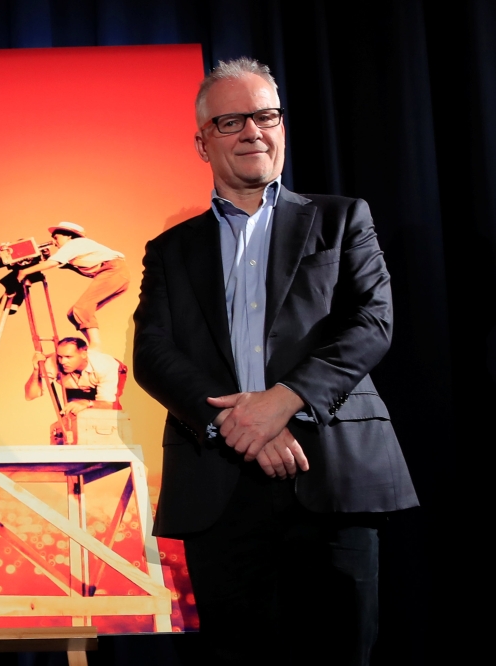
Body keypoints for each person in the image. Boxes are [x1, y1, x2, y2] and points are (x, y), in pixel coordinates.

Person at [132, 58, 417, 665]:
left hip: (332, 475)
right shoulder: (170, 250)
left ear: (281, 126)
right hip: (218, 483)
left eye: (265, 116)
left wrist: (282, 401)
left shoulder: (342, 219)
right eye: (231, 121)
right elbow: (153, 355)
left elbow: (372, 322)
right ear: (202, 142)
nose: (252, 132)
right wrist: (237, 425)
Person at [16, 222, 129, 350]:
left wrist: (24, 271)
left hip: (114, 272)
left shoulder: (75, 243)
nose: (53, 242)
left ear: (69, 236)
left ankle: (95, 346)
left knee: (82, 308)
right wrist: (47, 258)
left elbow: (53, 263)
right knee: (73, 314)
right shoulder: (78, 248)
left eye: (56, 237)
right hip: (118, 275)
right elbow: (62, 263)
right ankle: (90, 346)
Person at [25, 337, 122, 415]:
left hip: (110, 376)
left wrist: (87, 403)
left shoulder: (105, 367)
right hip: (77, 386)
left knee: (111, 415)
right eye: (60, 356)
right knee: (73, 413)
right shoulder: (53, 362)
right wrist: (36, 370)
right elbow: (31, 395)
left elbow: (108, 404)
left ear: (83, 355)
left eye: (68, 357)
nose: (63, 362)